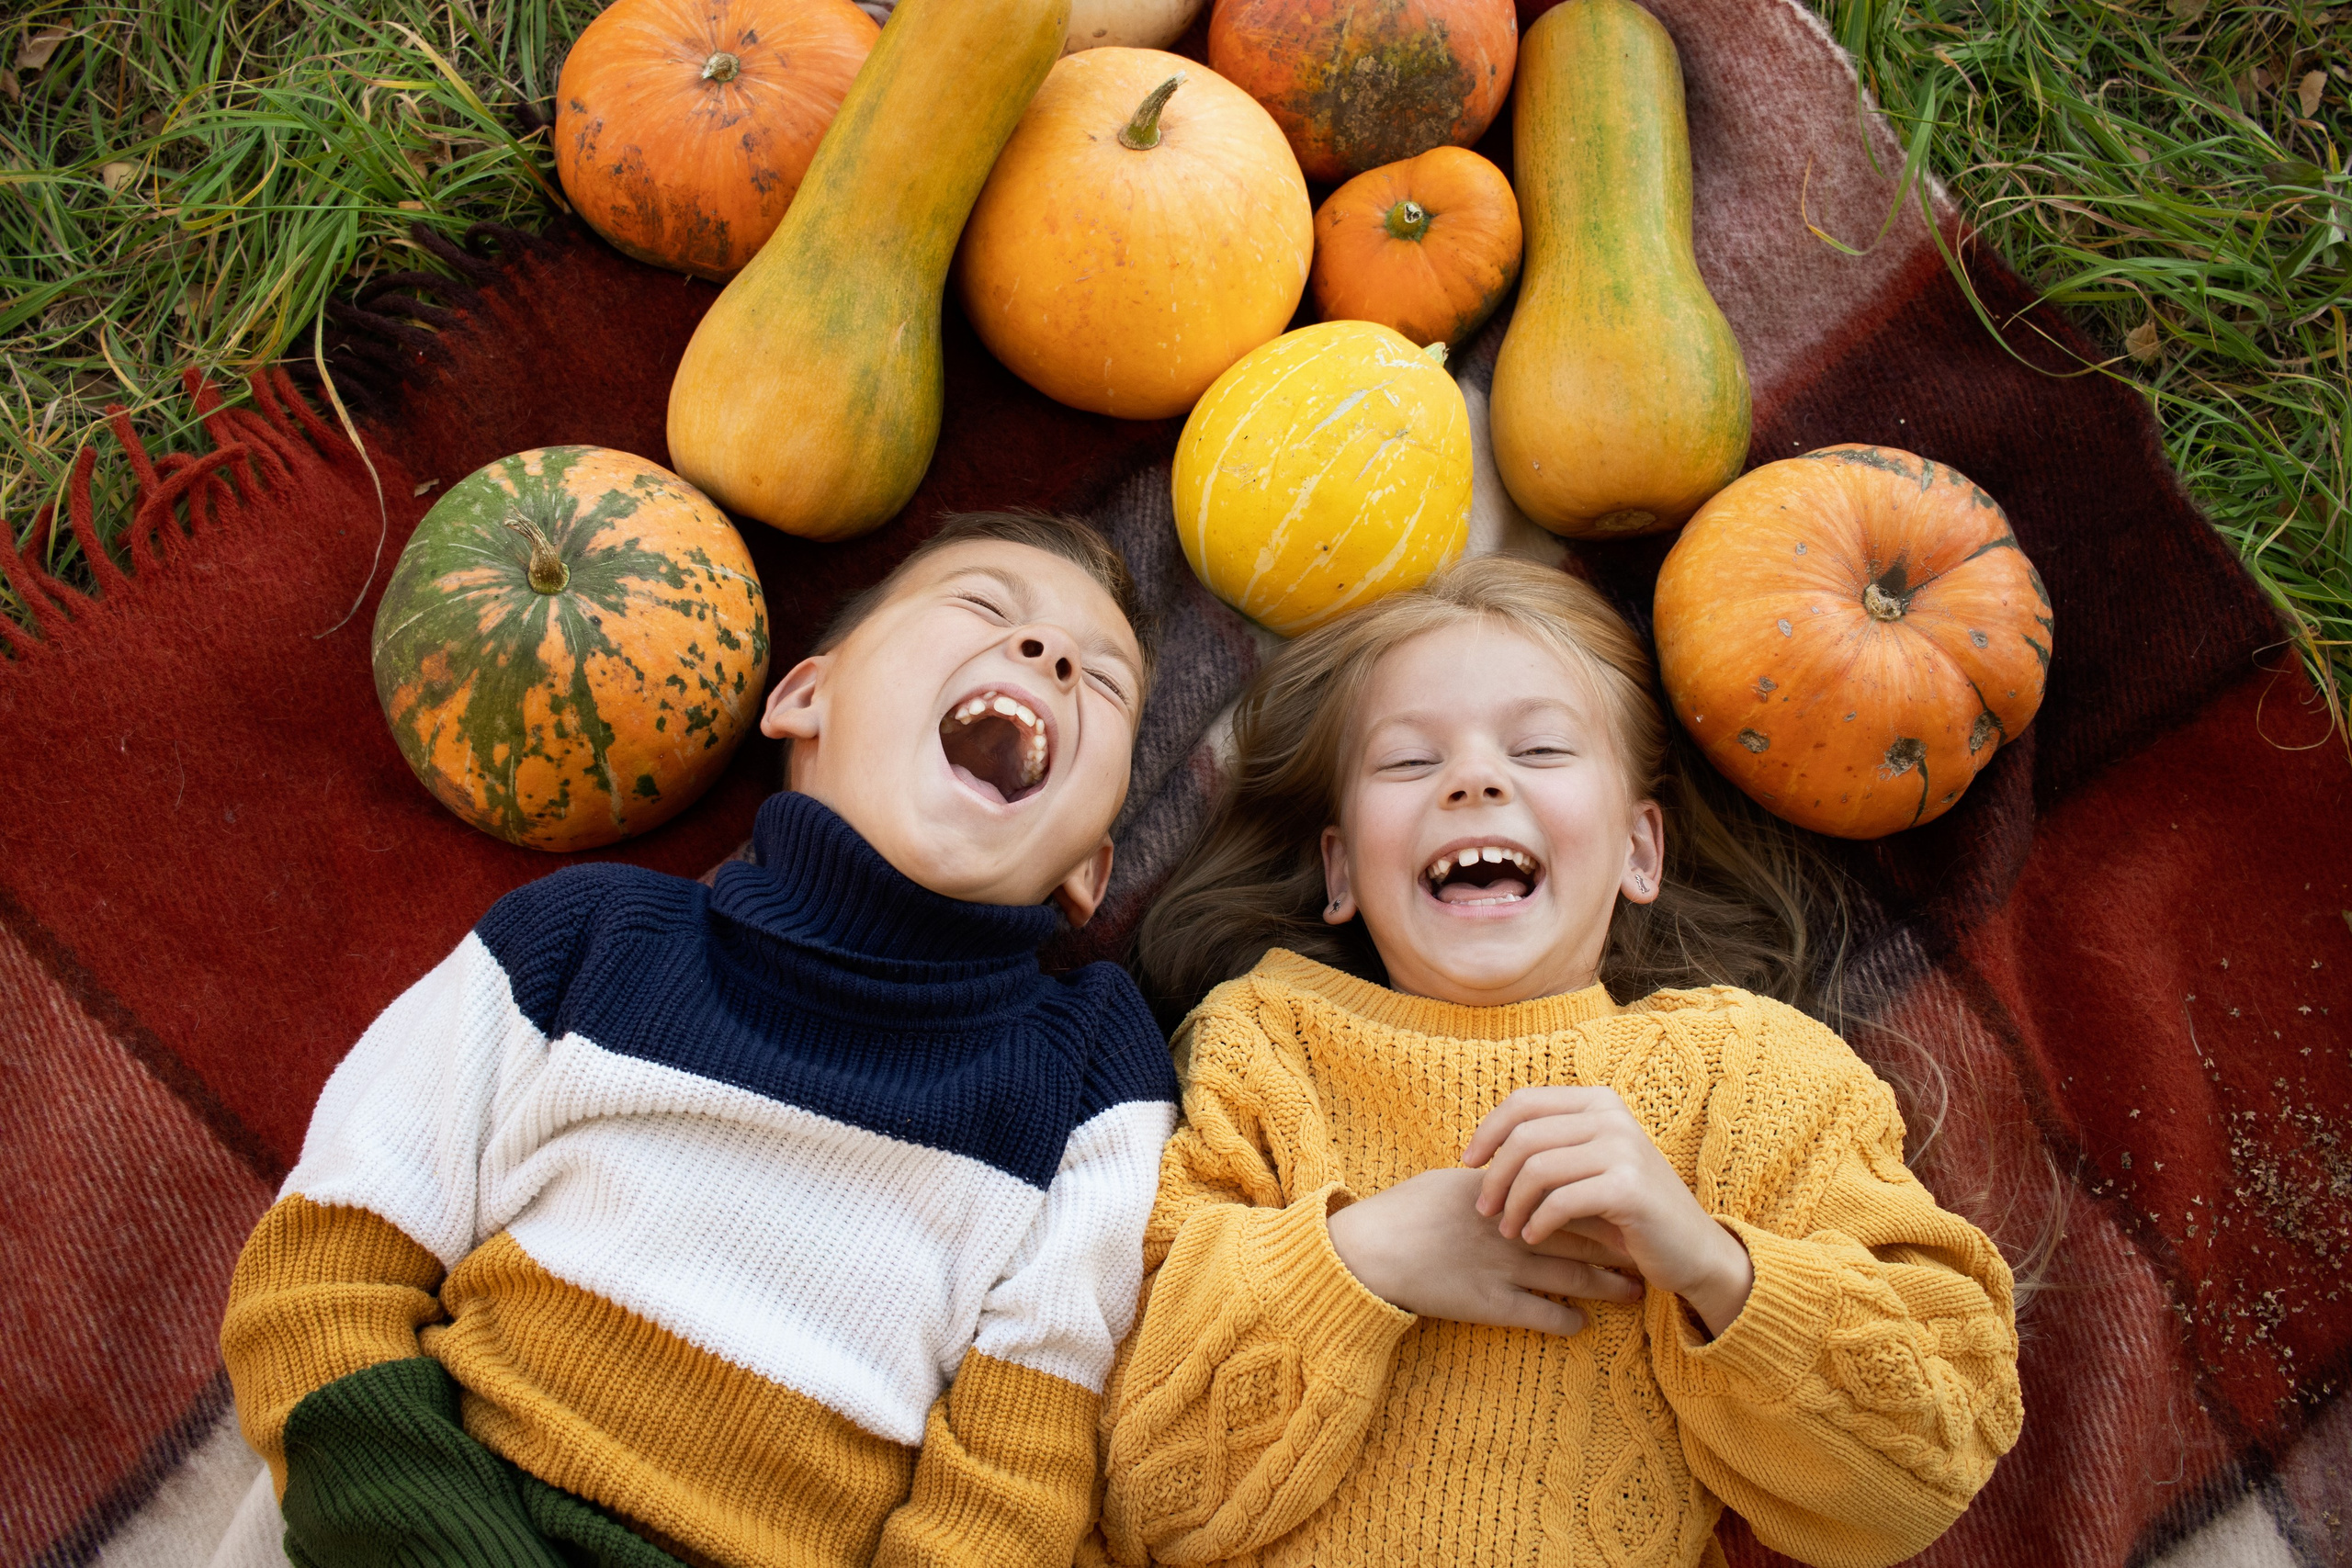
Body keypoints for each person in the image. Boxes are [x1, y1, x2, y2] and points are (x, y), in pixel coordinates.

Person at [220, 512, 1180, 1568]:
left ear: (1093, 863)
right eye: (984, 607)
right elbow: (320, 1283)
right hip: (417, 1507)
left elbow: (1009, 1493)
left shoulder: (1091, 1075)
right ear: (804, 697)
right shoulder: (581, 937)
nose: (1046, 655)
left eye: (1103, 682)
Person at [1092, 555, 2022, 1568]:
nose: (1475, 779)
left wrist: (1711, 1263)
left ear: (1637, 852)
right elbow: (1147, 1495)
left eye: (1538, 748)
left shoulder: (1748, 1075)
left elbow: (1924, 1475)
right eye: (1409, 763)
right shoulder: (1266, 1047)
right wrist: (1364, 1258)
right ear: (1340, 869)